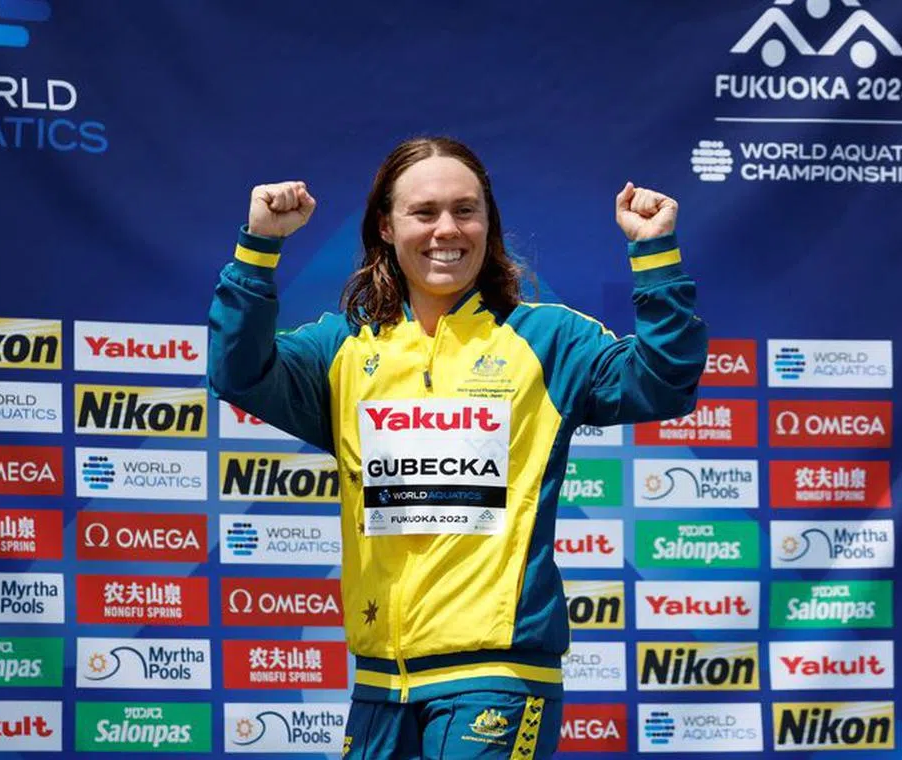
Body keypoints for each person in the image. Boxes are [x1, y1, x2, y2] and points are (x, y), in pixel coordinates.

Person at [208, 137, 708, 759]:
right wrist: (258, 249)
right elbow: (238, 371)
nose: (448, 229)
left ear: (489, 224)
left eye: (466, 210)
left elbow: (665, 381)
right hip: (380, 684)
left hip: (497, 678)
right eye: (424, 212)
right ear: (386, 228)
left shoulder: (549, 339)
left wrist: (654, 254)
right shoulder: (343, 348)